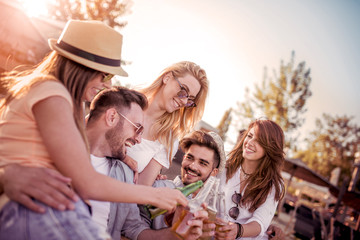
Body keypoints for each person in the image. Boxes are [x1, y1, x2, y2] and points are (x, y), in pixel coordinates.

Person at [0, 20, 187, 239]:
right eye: (104, 75)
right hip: (28, 211)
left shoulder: (68, 102)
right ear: (82, 68)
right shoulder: (53, 93)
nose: (107, 84)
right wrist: (154, 196)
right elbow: (87, 182)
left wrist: (121, 155)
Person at [86, 86, 207, 240]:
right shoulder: (59, 152)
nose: (138, 140)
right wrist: (152, 195)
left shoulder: (125, 173)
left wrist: (175, 235)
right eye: (137, 128)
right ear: (111, 117)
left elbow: (135, 228)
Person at [124, 61, 209, 186]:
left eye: (190, 99)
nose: (184, 100)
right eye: (183, 90)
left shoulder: (168, 140)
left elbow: (141, 188)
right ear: (167, 78)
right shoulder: (124, 101)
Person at [215, 119, 285, 240]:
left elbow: (260, 222)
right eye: (250, 136)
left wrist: (238, 230)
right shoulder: (223, 166)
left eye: (259, 141)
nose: (250, 142)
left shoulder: (274, 184)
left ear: (270, 148)